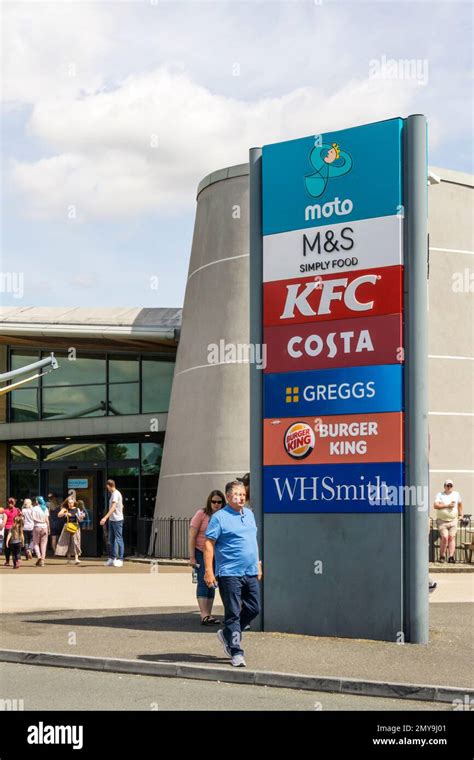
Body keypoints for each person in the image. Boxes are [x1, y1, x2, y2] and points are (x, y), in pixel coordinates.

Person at [204, 480, 262, 668]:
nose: (241, 497)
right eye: (237, 494)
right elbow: (208, 544)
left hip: (250, 571)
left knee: (254, 608)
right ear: (228, 497)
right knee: (233, 614)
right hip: (229, 573)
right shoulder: (219, 517)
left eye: (243, 494)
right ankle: (236, 650)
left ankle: (227, 634)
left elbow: (252, 541)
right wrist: (208, 570)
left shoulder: (250, 515)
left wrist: (258, 564)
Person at [188, 490, 225, 625]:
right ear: (209, 502)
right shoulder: (201, 514)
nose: (216, 504)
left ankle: (208, 614)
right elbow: (192, 535)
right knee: (204, 581)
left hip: (217, 553)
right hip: (201, 551)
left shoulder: (224, 515)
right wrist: (192, 557)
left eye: (219, 502)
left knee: (212, 583)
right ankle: (204, 614)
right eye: (213, 501)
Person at [434, 479, 463, 564]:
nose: (449, 487)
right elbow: (435, 505)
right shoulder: (440, 494)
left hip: (453, 520)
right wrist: (447, 505)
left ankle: (451, 556)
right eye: (447, 485)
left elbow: (460, 504)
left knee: (451, 537)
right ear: (444, 486)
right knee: (445, 537)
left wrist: (461, 515)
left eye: (451, 486)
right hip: (442, 521)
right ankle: (442, 556)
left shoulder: (456, 494)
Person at [100, 480, 124, 567]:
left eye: (107, 487)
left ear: (109, 486)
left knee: (118, 539)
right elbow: (121, 506)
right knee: (111, 540)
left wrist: (105, 518)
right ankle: (112, 558)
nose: (107, 489)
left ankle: (120, 559)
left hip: (117, 520)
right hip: (113, 519)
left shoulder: (115, 494)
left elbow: (113, 507)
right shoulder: (115, 494)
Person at [55, 497, 83, 565]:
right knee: (67, 542)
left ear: (74, 503)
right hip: (67, 527)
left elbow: (80, 520)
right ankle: (69, 559)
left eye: (71, 502)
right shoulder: (65, 509)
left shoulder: (77, 509)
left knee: (76, 542)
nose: (70, 504)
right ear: (67, 503)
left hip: (75, 527)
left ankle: (76, 558)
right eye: (69, 503)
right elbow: (59, 515)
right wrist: (65, 514)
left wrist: (81, 517)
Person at [0, 498, 21, 566]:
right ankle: (17, 560)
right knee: (17, 545)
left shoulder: (5, 511)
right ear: (14, 503)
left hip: (8, 529)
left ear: (7, 503)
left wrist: (1, 527)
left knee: (7, 545)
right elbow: (20, 519)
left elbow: (4, 522)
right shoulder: (17, 510)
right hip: (16, 529)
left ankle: (7, 561)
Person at [31, 497, 50, 567]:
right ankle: (43, 560)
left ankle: (39, 556)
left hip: (37, 527)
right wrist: (49, 528)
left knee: (35, 543)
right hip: (44, 527)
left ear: (37, 501)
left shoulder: (34, 508)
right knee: (44, 544)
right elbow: (47, 520)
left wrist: (38, 521)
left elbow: (33, 518)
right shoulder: (45, 508)